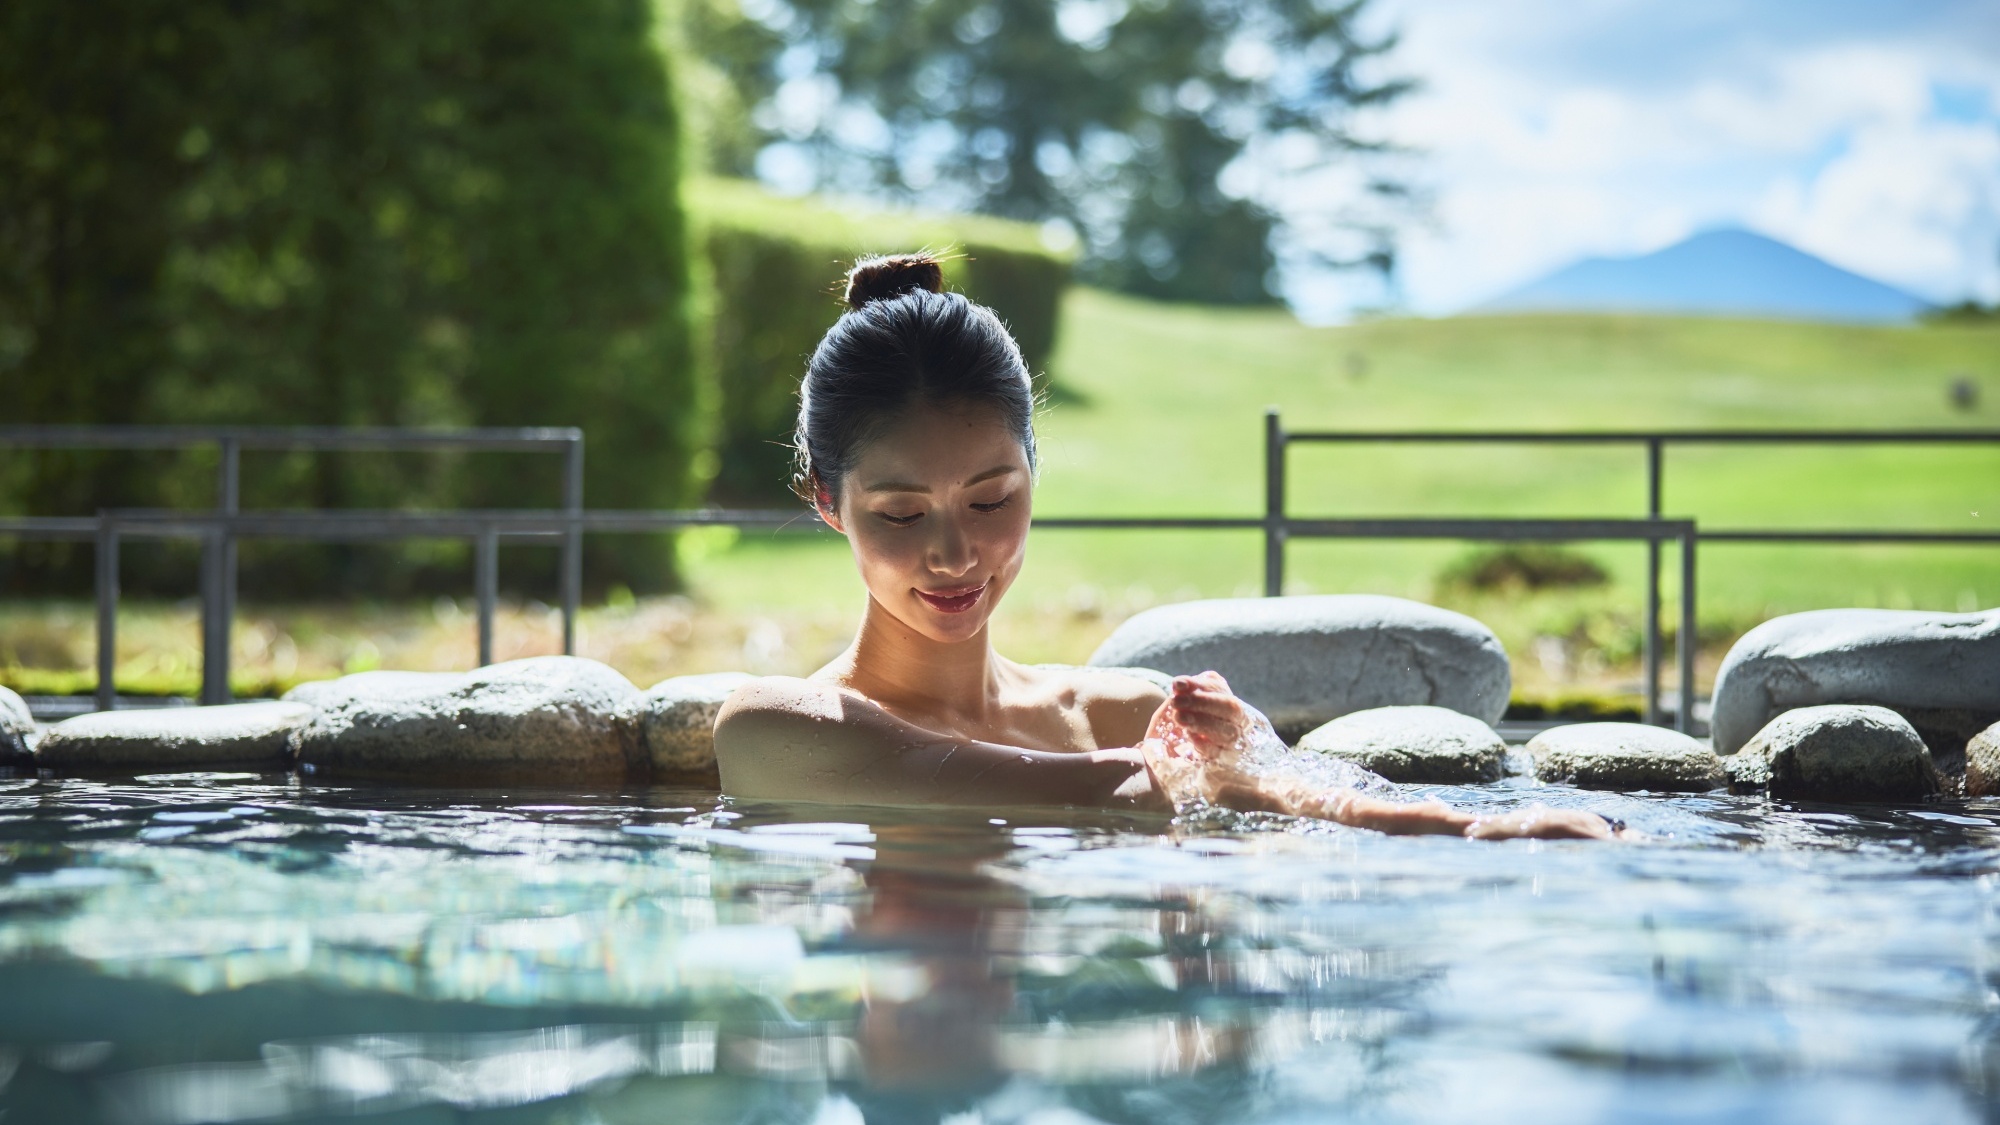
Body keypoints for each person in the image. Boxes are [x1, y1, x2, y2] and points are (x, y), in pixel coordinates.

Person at [714, 253, 1616, 840]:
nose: (955, 554)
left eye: (991, 499)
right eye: (902, 515)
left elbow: (1302, 801)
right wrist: (1189, 775)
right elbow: (983, 778)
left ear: (1033, 471)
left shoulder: (1119, 711)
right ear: (827, 502)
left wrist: (1479, 830)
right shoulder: (776, 730)